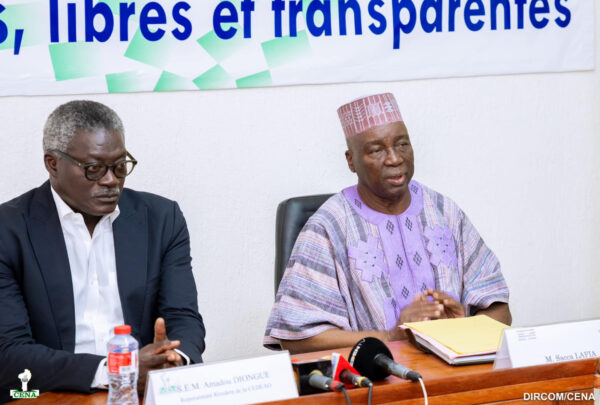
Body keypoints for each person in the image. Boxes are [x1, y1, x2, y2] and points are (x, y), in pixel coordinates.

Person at [265, 93, 511, 354]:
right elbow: (297, 339)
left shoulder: (445, 212)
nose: (395, 158)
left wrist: (464, 327)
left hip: (457, 371)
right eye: (377, 150)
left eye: (402, 144)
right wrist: (391, 336)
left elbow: (500, 310)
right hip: (375, 375)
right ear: (351, 160)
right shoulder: (328, 226)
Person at [0, 100, 205, 402]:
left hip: (143, 393)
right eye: (94, 169)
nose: (111, 181)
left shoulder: (161, 219)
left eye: (120, 166)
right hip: (50, 395)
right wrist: (117, 371)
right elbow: (9, 352)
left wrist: (173, 361)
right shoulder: (9, 230)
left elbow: (183, 318)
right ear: (53, 163)